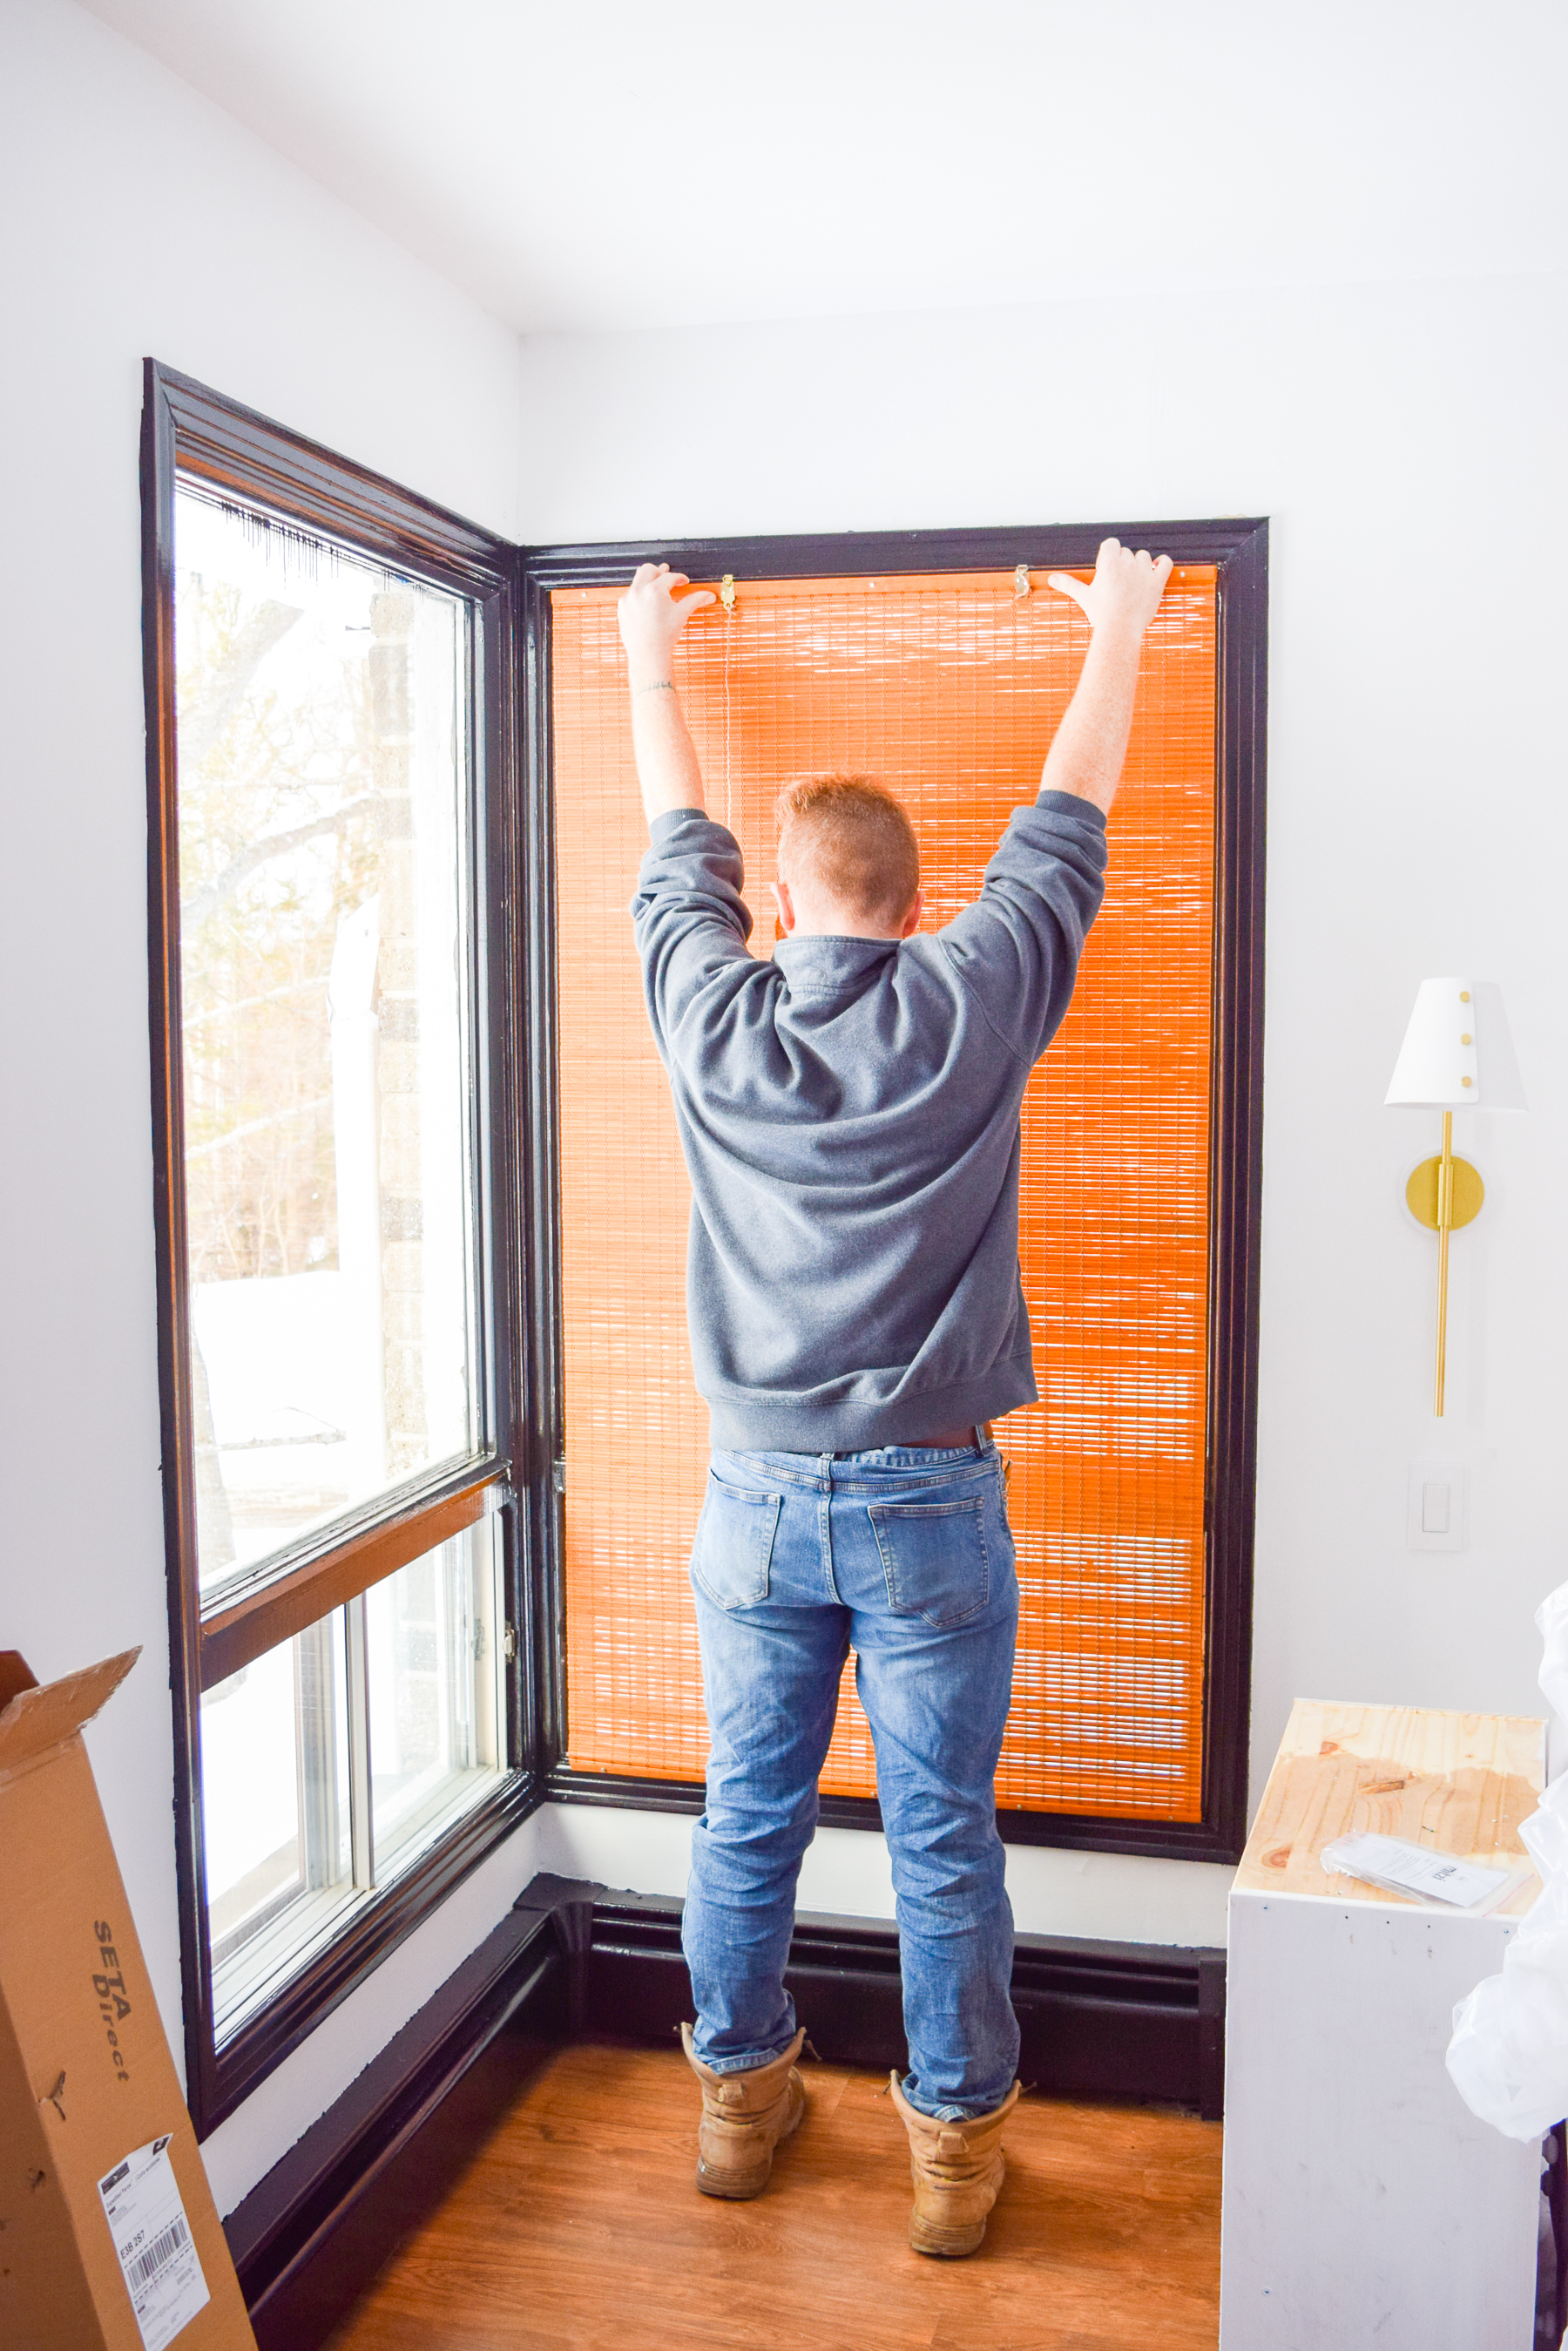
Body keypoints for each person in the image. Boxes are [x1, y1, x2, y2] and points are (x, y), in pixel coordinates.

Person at [618, 539, 1173, 2257]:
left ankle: (738, 2103)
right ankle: (949, 2154)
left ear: (783, 909)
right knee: (941, 1836)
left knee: (746, 1818)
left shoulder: (711, 1012)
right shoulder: (967, 999)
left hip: (755, 1500)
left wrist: (647, 645)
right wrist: (1129, 621)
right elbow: (1065, 815)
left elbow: (671, 844)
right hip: (932, 1498)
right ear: (916, 905)